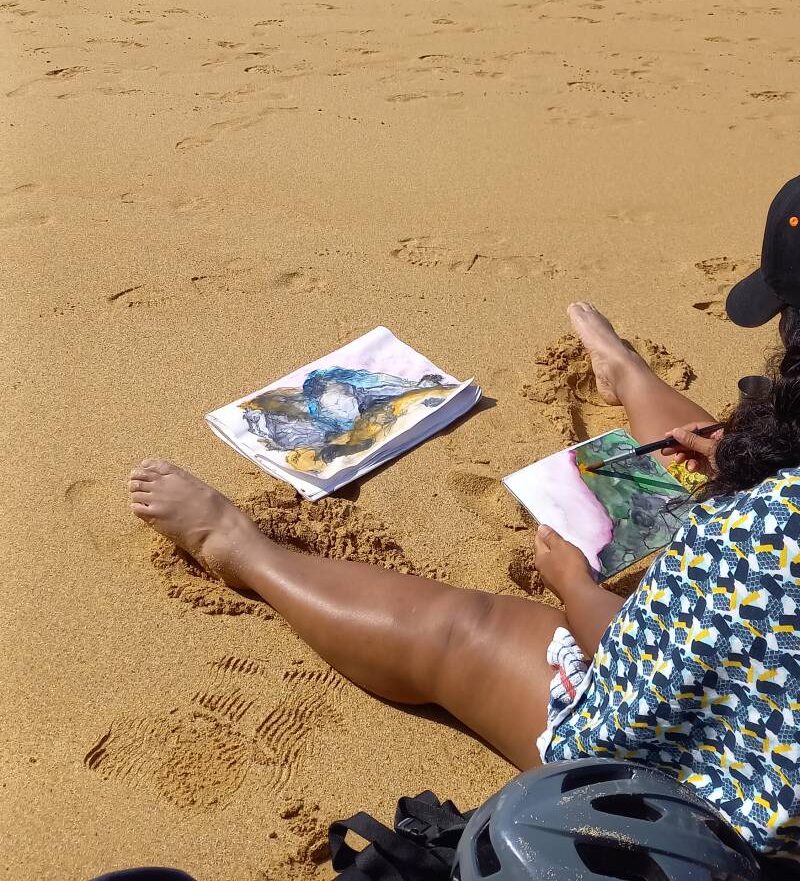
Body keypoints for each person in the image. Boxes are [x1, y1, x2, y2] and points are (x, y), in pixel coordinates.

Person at [130, 180, 800, 863]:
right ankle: (625, 374)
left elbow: (640, 656)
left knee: (461, 633)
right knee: (715, 462)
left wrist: (574, 588)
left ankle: (241, 550)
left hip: (692, 816)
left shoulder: (770, 529)